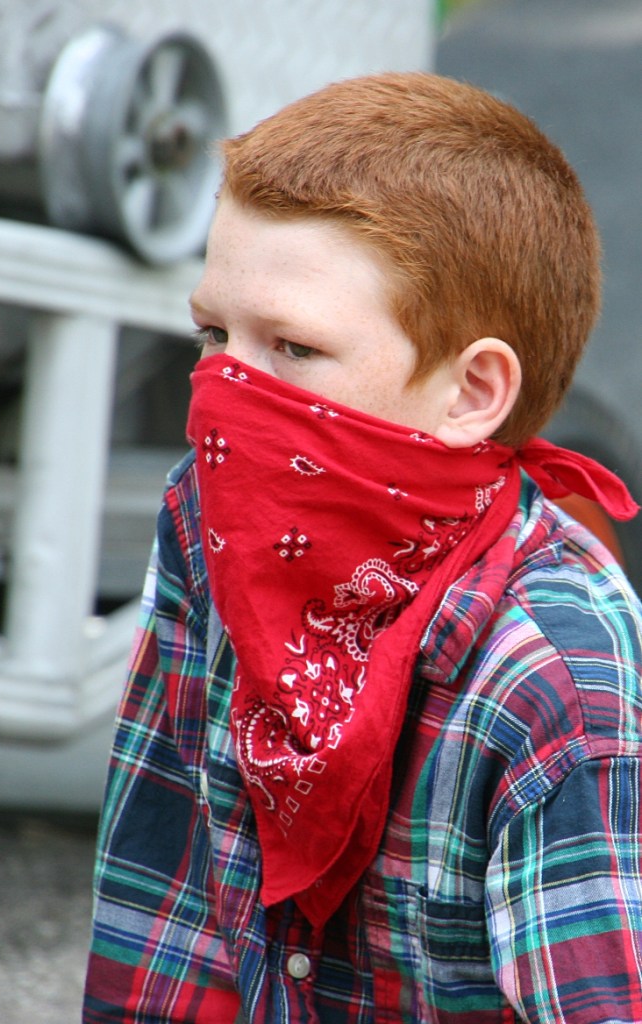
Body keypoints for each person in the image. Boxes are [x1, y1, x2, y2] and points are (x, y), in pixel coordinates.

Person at [82, 71, 642, 1023]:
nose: (226, 392)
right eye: (213, 334)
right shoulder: (211, 527)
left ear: (472, 393)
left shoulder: (555, 677)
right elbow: (166, 915)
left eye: (293, 350)